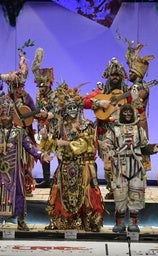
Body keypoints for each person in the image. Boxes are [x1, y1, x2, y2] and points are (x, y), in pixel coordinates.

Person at [0, 94, 53, 231]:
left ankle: (21, 221)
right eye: (3, 115)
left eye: (8, 115)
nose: (5, 118)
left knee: (18, 192)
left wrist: (41, 156)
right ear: (0, 116)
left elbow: (29, 147)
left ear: (12, 116)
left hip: (14, 168)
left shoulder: (19, 132)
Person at [40, 83, 104, 232]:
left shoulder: (87, 125)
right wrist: (45, 138)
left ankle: (89, 221)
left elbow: (86, 144)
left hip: (83, 165)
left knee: (87, 192)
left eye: (75, 107)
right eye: (69, 107)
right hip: (66, 164)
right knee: (58, 190)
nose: (72, 110)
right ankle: (60, 221)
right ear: (65, 109)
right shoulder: (60, 126)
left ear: (79, 108)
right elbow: (51, 145)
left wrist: (65, 143)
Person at [101, 104, 158, 233]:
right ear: (121, 114)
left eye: (129, 113)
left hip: (136, 166)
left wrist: (153, 149)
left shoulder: (139, 130)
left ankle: (134, 223)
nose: (127, 115)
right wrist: (105, 146)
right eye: (125, 112)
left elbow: (143, 147)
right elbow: (107, 143)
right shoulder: (114, 129)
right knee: (119, 194)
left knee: (136, 193)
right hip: (119, 167)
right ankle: (119, 223)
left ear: (133, 114)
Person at [0, 50, 37, 197]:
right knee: (8, 160)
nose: (19, 89)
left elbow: (32, 112)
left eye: (20, 86)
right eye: (16, 87)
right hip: (7, 135)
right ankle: (7, 185)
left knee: (24, 160)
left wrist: (30, 118)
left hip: (23, 133)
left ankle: (25, 185)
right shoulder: (5, 99)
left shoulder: (26, 97)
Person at [84, 57, 134, 200]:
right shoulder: (101, 92)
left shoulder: (127, 92)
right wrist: (100, 102)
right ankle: (112, 188)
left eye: (118, 75)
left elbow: (137, 106)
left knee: (124, 161)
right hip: (105, 132)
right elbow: (84, 101)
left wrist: (136, 97)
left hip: (123, 132)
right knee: (108, 163)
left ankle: (125, 188)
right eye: (113, 75)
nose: (115, 78)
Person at [125, 41, 158, 172]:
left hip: (139, 121)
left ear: (137, 74)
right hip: (128, 121)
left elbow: (137, 104)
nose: (129, 74)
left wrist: (133, 98)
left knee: (139, 145)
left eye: (131, 72)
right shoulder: (130, 87)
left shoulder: (143, 87)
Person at [32, 47, 57, 188]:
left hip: (54, 127)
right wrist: (37, 115)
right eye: (39, 86)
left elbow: (58, 109)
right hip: (42, 127)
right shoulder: (38, 95)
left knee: (58, 152)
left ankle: (59, 178)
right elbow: (36, 109)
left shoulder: (55, 95)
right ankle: (47, 180)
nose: (41, 89)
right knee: (44, 152)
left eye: (43, 87)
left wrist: (49, 114)